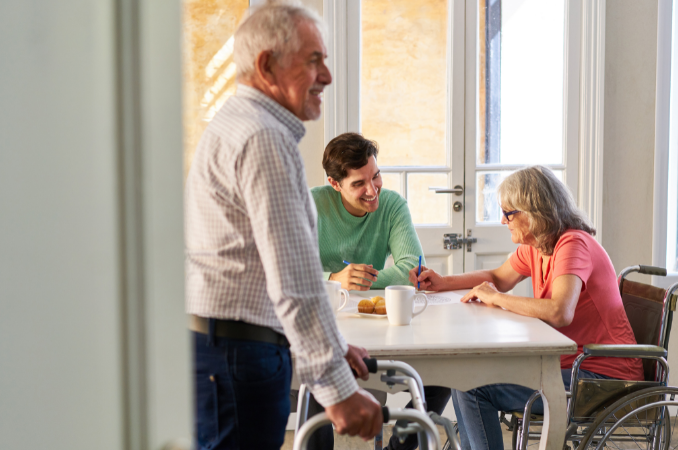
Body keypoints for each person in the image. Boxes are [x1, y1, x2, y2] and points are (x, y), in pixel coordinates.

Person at [184, 2, 383, 449]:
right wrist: (339, 390)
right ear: (266, 65)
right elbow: (293, 279)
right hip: (239, 355)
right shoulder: (263, 138)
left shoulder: (240, 124)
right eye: (314, 60)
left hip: (224, 349)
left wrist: (334, 348)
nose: (327, 76)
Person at [409, 166, 644, 450]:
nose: (502, 220)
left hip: (601, 379)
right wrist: (442, 282)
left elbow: (560, 311)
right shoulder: (538, 245)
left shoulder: (572, 244)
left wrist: (496, 298)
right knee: (466, 380)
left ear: (532, 213)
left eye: (508, 213)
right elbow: (498, 278)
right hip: (568, 367)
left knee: (473, 388)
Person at [301, 132, 452, 450]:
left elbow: (411, 269)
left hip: (378, 322)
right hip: (324, 323)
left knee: (442, 376)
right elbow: (291, 272)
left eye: (376, 177)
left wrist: (361, 280)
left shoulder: (393, 205)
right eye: (359, 184)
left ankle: (398, 447)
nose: (372, 191)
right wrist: (334, 278)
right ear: (335, 183)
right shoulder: (309, 204)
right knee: (319, 376)